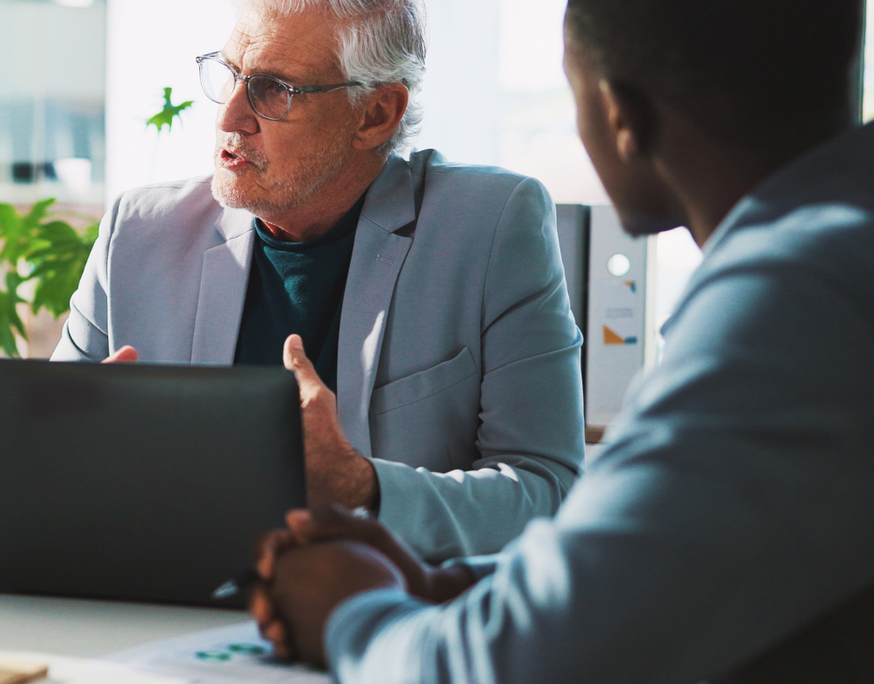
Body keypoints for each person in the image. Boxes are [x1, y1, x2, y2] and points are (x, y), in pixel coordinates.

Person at [249, 0, 874, 681]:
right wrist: (453, 586)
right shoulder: (838, 258)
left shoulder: (788, 302)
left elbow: (526, 665)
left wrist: (353, 611)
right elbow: (669, 563)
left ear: (622, 119)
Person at [54, 0, 583, 560]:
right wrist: (79, 451)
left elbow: (547, 493)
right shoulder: (138, 235)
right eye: (230, 76)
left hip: (392, 617)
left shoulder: (490, 227)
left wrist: (362, 487)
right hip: (169, 606)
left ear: (376, 114)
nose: (230, 117)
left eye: (274, 88)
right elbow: (41, 458)